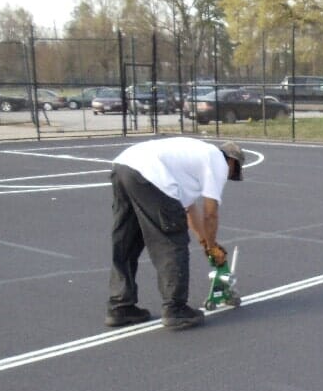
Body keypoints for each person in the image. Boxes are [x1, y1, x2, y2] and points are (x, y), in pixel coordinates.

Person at [105, 137, 245, 330]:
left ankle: (120, 307)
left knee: (127, 242)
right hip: (150, 174)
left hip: (124, 166)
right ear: (232, 161)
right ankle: (175, 309)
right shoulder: (218, 161)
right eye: (234, 171)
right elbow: (210, 214)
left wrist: (205, 242)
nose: (229, 176)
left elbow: (189, 210)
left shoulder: (191, 160)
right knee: (172, 242)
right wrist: (213, 247)